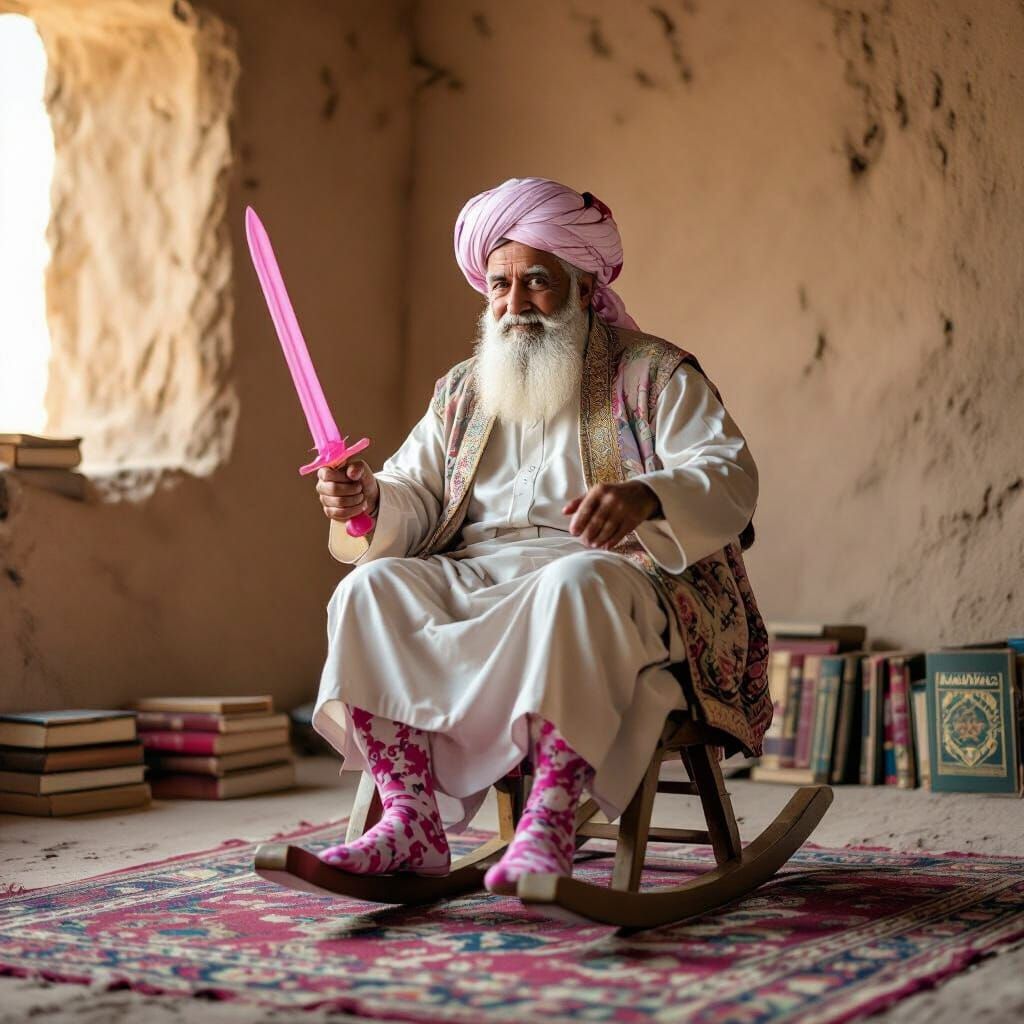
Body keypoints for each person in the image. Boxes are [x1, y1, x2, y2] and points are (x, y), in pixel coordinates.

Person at [311, 177, 770, 893]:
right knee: (368, 588)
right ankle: (410, 819)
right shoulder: (463, 389)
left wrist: (646, 496)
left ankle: (550, 823)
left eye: (537, 282)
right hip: (477, 573)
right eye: (500, 285)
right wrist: (368, 499)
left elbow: (729, 474)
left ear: (585, 287)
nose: (515, 304)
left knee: (573, 581)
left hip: (608, 573)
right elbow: (416, 493)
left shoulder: (653, 374)